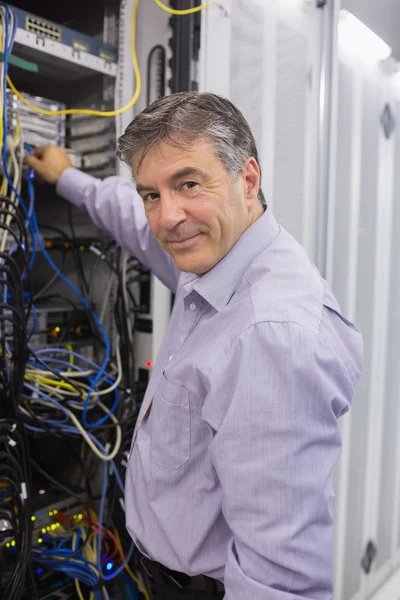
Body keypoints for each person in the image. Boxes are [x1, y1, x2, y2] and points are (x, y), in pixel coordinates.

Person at [26, 92, 363, 600]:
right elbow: (131, 218)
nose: (166, 217)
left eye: (188, 183)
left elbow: (281, 580)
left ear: (247, 179)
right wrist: (67, 177)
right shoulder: (217, 252)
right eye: (152, 194)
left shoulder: (270, 335)